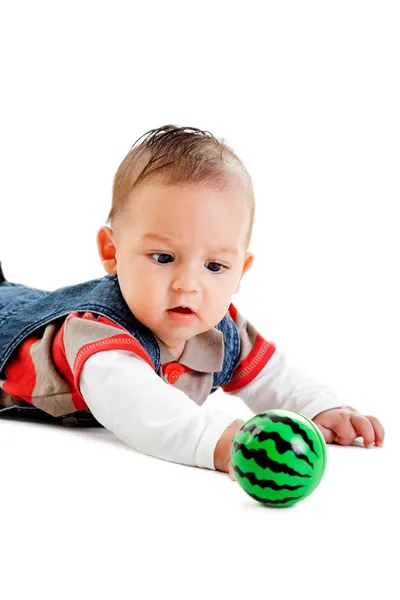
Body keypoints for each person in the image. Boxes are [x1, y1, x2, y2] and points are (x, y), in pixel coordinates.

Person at [0, 125, 385, 481]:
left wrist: (322, 408)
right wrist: (220, 440)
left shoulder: (223, 331)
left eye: (215, 266)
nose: (187, 285)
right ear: (112, 251)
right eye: (163, 258)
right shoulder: (98, 336)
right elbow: (142, 409)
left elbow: (273, 376)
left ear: (240, 271)